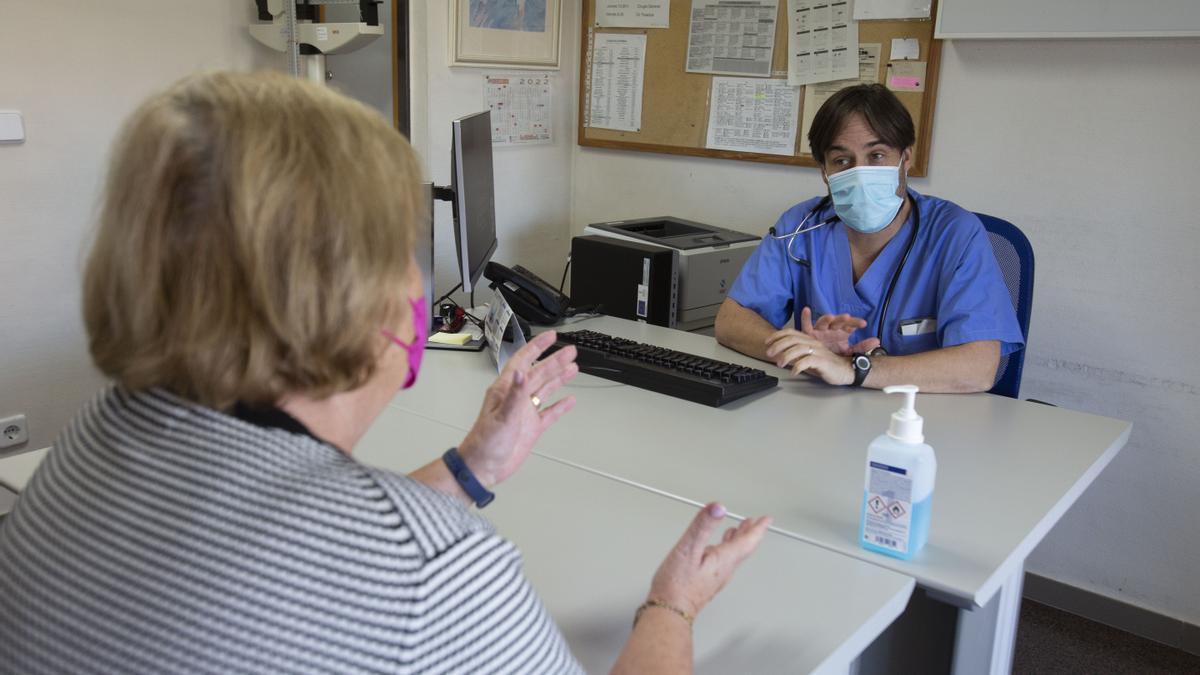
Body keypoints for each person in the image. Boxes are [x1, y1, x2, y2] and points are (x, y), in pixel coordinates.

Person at [0, 72, 770, 674]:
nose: (415, 281)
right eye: (403, 248)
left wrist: (473, 467)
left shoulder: (91, 441)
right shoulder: (433, 568)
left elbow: (296, 558)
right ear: (340, 297)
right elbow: (382, 565)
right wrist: (673, 604)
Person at [715, 84, 1024, 393]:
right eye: (842, 161)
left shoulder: (955, 233)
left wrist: (854, 369)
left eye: (876, 155)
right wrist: (808, 350)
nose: (860, 174)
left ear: (906, 158)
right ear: (824, 170)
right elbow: (731, 321)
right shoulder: (800, 227)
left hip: (919, 423)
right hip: (820, 417)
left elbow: (979, 368)